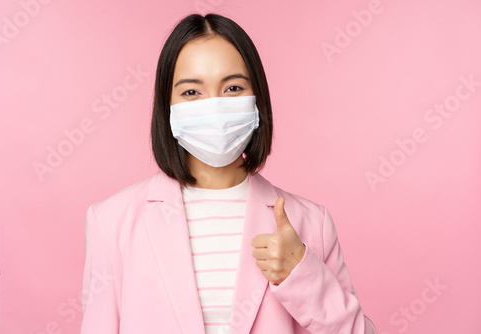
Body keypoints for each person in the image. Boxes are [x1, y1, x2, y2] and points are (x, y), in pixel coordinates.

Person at [80, 12, 378, 334]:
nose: (215, 108)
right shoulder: (112, 222)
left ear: (257, 101)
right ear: (168, 110)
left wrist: (302, 275)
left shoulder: (310, 223)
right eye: (192, 92)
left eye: (233, 87)